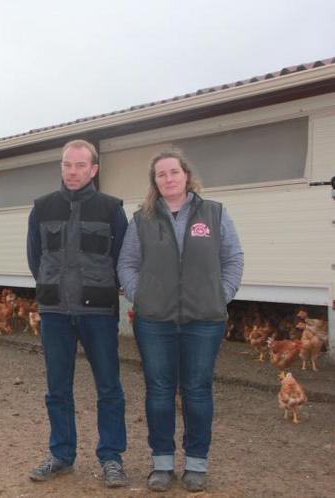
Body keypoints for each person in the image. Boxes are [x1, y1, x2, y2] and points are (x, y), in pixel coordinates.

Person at [117, 150, 244, 493]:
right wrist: (139, 295)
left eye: (174, 172)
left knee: (197, 390)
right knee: (158, 391)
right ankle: (161, 463)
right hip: (154, 320)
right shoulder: (142, 220)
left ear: (186, 175)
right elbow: (127, 262)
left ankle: (196, 464)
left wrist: (221, 294)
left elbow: (233, 257)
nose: (168, 178)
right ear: (154, 182)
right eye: (161, 174)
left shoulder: (214, 213)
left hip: (204, 320)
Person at [26, 139, 129, 488]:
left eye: (80, 165)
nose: (73, 171)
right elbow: (34, 257)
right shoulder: (42, 208)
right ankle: (61, 454)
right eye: (67, 165)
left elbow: (122, 258)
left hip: (98, 312)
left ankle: (111, 457)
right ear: (61, 166)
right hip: (55, 311)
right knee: (57, 388)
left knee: (109, 387)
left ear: (94, 169)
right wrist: (50, 286)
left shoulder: (112, 209)